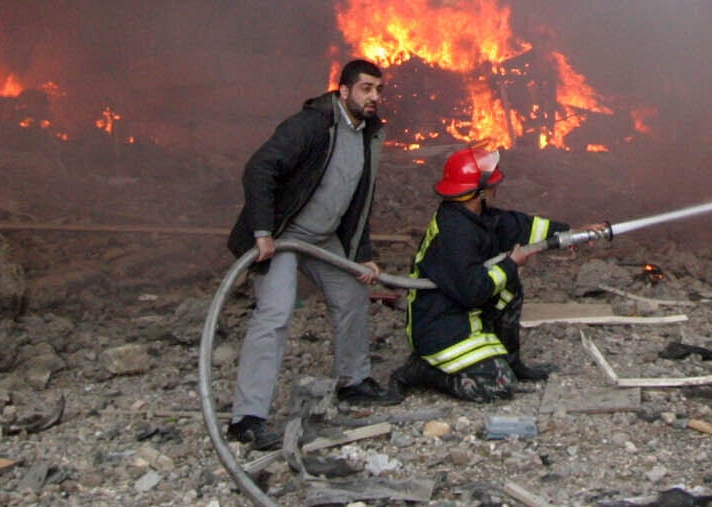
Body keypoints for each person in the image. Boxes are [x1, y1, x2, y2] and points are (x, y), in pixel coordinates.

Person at [224, 58, 401, 450]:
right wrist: (263, 231)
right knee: (275, 313)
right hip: (283, 235)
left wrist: (363, 253)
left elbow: (359, 201)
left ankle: (353, 381)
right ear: (344, 91)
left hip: (323, 239)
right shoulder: (310, 125)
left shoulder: (370, 134)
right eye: (366, 89)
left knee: (353, 294)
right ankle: (247, 418)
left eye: (378, 89)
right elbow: (259, 169)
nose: (374, 97)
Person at [399, 147, 568, 403]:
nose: (495, 190)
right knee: (498, 387)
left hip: (460, 314)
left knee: (510, 286)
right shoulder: (455, 233)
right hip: (441, 327)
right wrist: (511, 264)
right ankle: (424, 372)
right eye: (491, 186)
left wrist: (569, 233)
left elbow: (520, 226)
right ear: (477, 193)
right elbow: (473, 291)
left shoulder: (476, 216)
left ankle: (512, 363)